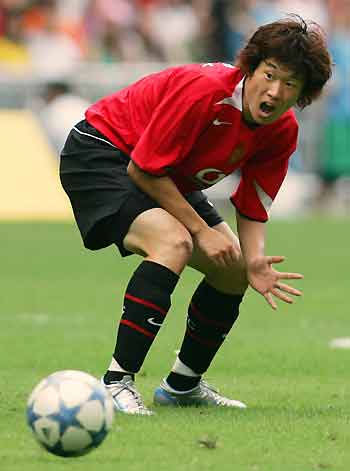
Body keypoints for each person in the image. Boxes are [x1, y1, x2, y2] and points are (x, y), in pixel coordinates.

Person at [59, 15, 332, 415]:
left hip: (161, 173)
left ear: (303, 94)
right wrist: (202, 229)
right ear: (250, 68)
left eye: (290, 84)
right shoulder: (205, 91)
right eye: (269, 75)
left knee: (233, 268)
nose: (274, 91)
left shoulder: (282, 130)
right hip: (102, 153)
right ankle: (116, 383)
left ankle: (182, 386)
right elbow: (143, 168)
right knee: (175, 241)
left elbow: (254, 204)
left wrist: (254, 261)